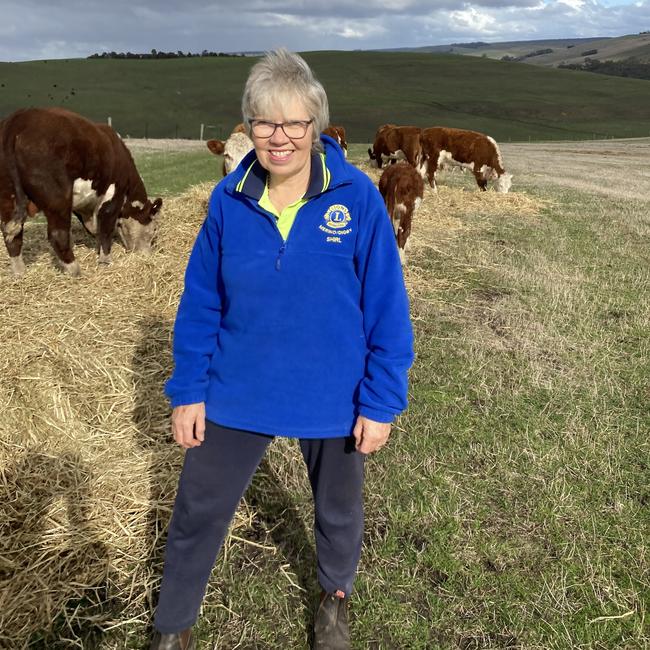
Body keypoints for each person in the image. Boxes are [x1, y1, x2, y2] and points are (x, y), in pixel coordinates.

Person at [150, 49, 414, 650]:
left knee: (339, 512)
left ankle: (333, 601)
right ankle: (173, 627)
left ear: (315, 127)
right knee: (197, 511)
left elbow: (387, 310)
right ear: (247, 127)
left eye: (294, 123)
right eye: (265, 122)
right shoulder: (229, 201)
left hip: (334, 391)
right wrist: (189, 390)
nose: (280, 137)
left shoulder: (357, 198)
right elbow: (201, 304)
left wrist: (380, 401)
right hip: (239, 387)